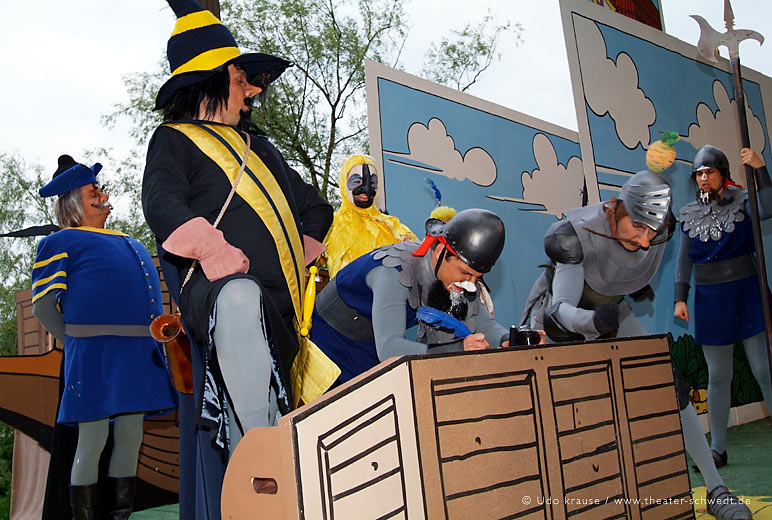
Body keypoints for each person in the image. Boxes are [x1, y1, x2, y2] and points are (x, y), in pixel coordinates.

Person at [141, 0, 333, 517]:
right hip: (218, 298)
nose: (252, 91)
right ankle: (262, 462)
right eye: (241, 78)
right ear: (211, 78)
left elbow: (317, 206)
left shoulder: (263, 149)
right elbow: (161, 202)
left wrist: (299, 249)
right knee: (240, 296)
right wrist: (211, 247)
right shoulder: (172, 140)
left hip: (282, 312)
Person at [527, 169, 752, 520]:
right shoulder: (572, 237)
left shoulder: (660, 232)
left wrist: (619, 296)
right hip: (559, 326)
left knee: (669, 382)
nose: (646, 241)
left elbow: (625, 268)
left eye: (652, 231)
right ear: (618, 210)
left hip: (611, 312)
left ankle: (716, 489)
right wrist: (593, 322)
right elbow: (560, 309)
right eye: (638, 227)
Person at [32, 155, 178, 519]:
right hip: (95, 353)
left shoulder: (130, 241)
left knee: (131, 435)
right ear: (73, 202)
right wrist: (76, 342)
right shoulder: (60, 241)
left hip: (139, 352)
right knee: (92, 437)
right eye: (92, 191)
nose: (102, 195)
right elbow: (43, 306)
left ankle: (119, 516)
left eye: (100, 189)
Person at [311, 208, 509, 385]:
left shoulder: (458, 277)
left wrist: (509, 339)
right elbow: (389, 348)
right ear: (440, 251)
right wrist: (456, 349)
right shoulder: (393, 274)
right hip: (330, 345)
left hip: (374, 344)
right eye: (465, 273)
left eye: (477, 277)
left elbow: (482, 323)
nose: (470, 284)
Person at [674, 145, 772, 469]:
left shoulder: (743, 199)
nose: (704, 178)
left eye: (710, 171)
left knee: (763, 370)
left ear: (722, 173)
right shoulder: (689, 213)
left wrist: (759, 167)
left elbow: (769, 208)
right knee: (718, 376)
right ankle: (717, 449)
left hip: (746, 293)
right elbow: (684, 259)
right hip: (711, 300)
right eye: (699, 173)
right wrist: (679, 297)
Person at [323, 154, 415, 278]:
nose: (366, 189)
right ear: (344, 183)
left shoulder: (393, 228)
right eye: (357, 181)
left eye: (372, 182)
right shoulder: (330, 225)